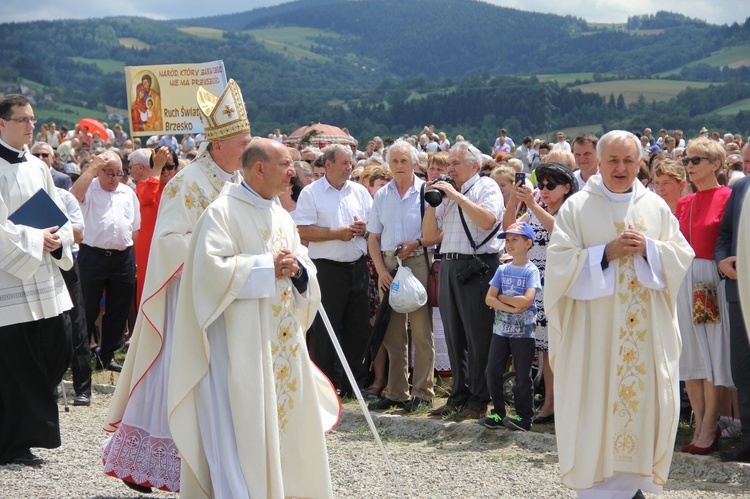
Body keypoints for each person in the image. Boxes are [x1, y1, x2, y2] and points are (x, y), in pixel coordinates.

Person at [102, 79, 251, 493]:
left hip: (228, 296)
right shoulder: (188, 184)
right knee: (173, 378)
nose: (248, 150)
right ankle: (149, 464)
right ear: (218, 144)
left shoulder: (240, 186)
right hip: (186, 301)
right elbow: (169, 242)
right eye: (243, 143)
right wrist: (216, 260)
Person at [168, 138, 339, 499]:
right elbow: (208, 273)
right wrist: (266, 266)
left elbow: (303, 264)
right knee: (245, 430)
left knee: (286, 428)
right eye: (285, 164)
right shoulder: (221, 213)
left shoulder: (280, 214)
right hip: (239, 349)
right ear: (259, 169)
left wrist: (298, 272)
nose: (293, 172)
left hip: (281, 346)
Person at [545, 130, 694, 498]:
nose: (621, 167)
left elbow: (681, 255)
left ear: (639, 162)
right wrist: (604, 253)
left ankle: (639, 486)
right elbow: (559, 266)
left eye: (629, 160)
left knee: (645, 406)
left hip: (643, 339)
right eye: (613, 160)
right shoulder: (578, 208)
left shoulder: (654, 207)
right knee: (596, 406)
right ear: (599, 160)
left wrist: (651, 249)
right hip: (595, 337)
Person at [0, 94, 74, 466]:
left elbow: (58, 212)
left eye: (32, 119)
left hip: (44, 278)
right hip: (9, 283)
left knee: (56, 349)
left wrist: (59, 238)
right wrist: (34, 239)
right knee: (17, 363)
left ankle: (25, 434)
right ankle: (14, 442)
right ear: (2, 123)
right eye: (23, 120)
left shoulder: (37, 165)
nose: (32, 125)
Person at [423, 140, 504, 419]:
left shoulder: (486, 187)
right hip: (449, 265)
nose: (450, 169)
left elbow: (487, 221)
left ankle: (480, 399)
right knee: (454, 334)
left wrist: (457, 197)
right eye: (448, 164)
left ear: (474, 165)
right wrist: (432, 200)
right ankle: (458, 396)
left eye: (456, 163)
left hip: (478, 267)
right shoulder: (449, 191)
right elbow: (430, 235)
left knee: (478, 336)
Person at [294, 143, 373, 398]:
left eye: (350, 163)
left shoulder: (360, 191)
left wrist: (364, 229)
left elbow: (373, 225)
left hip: (357, 267)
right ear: (328, 165)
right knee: (327, 330)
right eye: (344, 163)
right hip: (327, 269)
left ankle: (355, 386)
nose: (349, 167)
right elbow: (303, 230)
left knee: (358, 328)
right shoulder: (311, 193)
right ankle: (327, 387)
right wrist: (335, 234)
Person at [504, 162, 577, 425]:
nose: (544, 190)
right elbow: (510, 231)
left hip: (560, 285)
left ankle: (564, 405)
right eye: (541, 185)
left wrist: (533, 205)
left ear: (566, 188)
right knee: (546, 349)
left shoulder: (571, 210)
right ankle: (549, 404)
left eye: (550, 185)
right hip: (536, 287)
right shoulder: (536, 210)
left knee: (563, 347)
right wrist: (514, 200)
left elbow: (561, 232)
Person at [367, 141, 437, 412]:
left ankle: (423, 392)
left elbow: (437, 233)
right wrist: (381, 270)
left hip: (417, 261)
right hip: (388, 264)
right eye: (394, 161)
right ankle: (397, 393)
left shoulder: (425, 192)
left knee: (421, 331)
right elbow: (373, 238)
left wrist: (417, 243)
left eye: (403, 161)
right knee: (392, 333)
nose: (398, 166)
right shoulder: (382, 195)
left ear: (414, 164)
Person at [674, 137, 733, 455]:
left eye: (696, 160)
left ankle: (711, 425)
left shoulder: (729, 196)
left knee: (712, 352)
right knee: (692, 354)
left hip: (710, 280)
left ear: (716, 164)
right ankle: (699, 423)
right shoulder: (684, 202)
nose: (690, 165)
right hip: (686, 281)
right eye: (687, 160)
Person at [70, 150, 141, 373]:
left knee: (118, 309)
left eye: (118, 173)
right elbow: (72, 197)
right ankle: (79, 360)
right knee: (88, 309)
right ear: (99, 172)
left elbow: (135, 227)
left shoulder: (127, 193)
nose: (113, 178)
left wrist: (129, 254)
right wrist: (91, 168)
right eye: (109, 173)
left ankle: (106, 355)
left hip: (122, 257)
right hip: (93, 255)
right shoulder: (89, 189)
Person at [481, 222, 541, 431]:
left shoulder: (531, 270)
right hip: (500, 331)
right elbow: (489, 298)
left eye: (515, 240)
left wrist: (503, 299)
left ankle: (525, 417)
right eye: (507, 240)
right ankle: (498, 413)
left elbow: (527, 300)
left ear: (528, 243)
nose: (509, 244)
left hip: (523, 333)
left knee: (522, 376)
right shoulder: (502, 269)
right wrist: (511, 306)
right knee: (492, 371)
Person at [715, 143, 750, 463]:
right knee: (742, 366)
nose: (747, 166)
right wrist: (723, 260)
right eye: (746, 161)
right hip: (740, 292)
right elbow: (724, 234)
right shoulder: (740, 187)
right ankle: (748, 439)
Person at [128, 146, 169, 308]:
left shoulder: (164, 186)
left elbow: (148, 194)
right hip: (147, 250)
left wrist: (158, 167)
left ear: (139, 167)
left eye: (130, 166)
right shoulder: (144, 186)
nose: (129, 170)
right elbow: (147, 195)